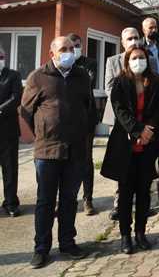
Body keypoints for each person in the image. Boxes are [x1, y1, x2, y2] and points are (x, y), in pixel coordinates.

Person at [20, 36, 92, 268]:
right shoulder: (38, 77)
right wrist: (43, 132)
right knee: (45, 202)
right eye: (63, 49)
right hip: (47, 151)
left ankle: (67, 243)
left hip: (76, 151)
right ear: (52, 54)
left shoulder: (81, 76)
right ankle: (41, 248)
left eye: (72, 48)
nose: (69, 52)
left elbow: (89, 108)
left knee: (70, 200)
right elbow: (26, 111)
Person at [101, 46, 159, 254]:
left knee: (144, 193)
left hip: (148, 145)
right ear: (127, 61)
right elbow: (119, 110)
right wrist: (137, 130)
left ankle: (140, 233)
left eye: (142, 57)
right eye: (134, 58)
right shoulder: (120, 82)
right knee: (126, 193)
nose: (139, 61)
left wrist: (148, 131)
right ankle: (125, 235)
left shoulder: (155, 81)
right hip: (125, 145)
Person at [103, 27, 159, 221]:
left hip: (147, 131)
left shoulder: (149, 61)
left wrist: (147, 129)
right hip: (121, 124)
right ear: (122, 42)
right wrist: (134, 127)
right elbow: (110, 91)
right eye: (130, 39)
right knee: (123, 173)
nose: (134, 41)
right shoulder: (113, 62)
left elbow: (158, 97)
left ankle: (144, 209)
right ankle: (119, 205)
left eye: (136, 38)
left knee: (143, 178)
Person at [67, 33, 99, 216]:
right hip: (66, 121)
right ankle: (66, 199)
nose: (73, 50)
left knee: (86, 160)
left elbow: (86, 84)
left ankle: (88, 199)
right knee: (66, 161)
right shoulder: (63, 66)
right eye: (70, 46)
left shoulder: (89, 64)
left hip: (87, 118)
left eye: (76, 46)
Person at [0, 49, 22, 217]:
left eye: (0, 57)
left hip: (8, 131)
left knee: (10, 168)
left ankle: (11, 203)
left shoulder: (13, 75)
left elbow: (16, 97)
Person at [141, 17, 159, 82]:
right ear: (144, 30)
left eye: (155, 27)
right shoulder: (140, 47)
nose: (154, 30)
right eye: (151, 28)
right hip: (149, 86)